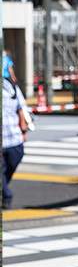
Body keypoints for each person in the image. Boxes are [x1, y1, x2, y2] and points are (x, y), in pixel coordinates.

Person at [2, 74, 28, 209]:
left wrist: (23, 130)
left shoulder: (10, 86)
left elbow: (21, 108)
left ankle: (3, 188)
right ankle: (6, 195)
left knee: (13, 162)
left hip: (14, 137)